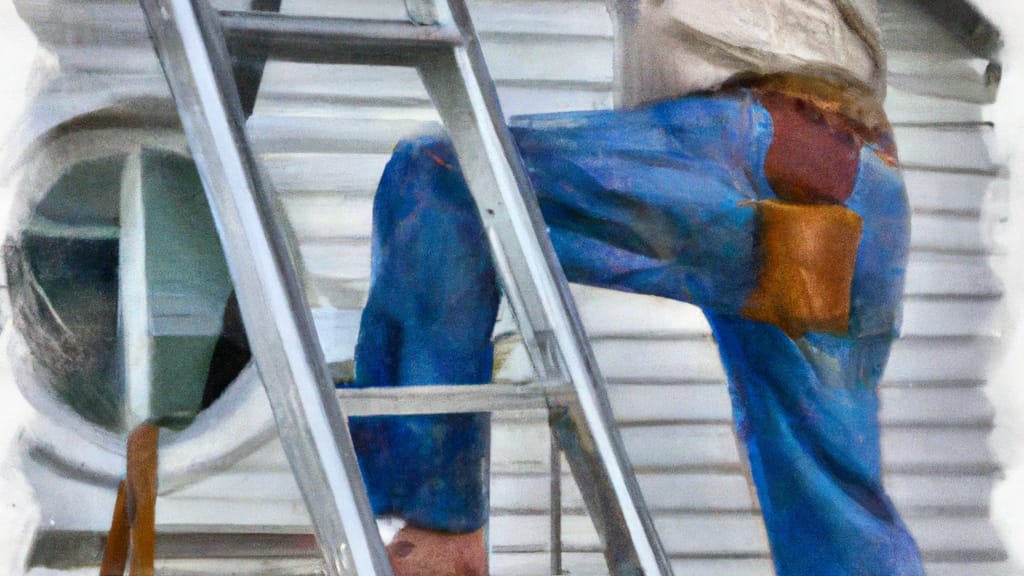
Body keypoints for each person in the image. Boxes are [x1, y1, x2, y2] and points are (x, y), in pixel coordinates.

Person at [348, 1, 927, 574]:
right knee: (832, 502)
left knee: (442, 181)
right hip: (862, 178)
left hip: (751, 149)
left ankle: (433, 543)